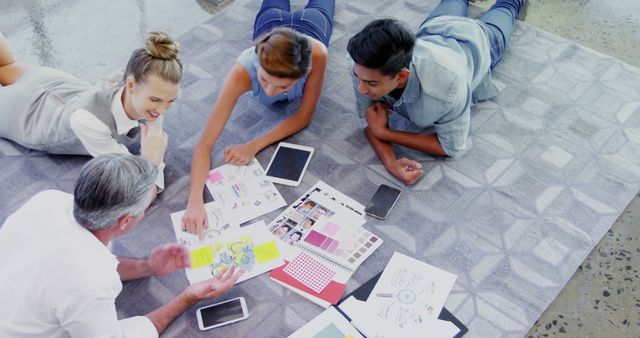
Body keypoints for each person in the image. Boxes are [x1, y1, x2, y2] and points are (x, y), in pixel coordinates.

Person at [0, 154, 243, 337]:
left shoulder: (47, 200)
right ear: (125, 221)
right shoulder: (92, 284)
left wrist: (148, 266)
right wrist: (187, 298)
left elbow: (81, 260)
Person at [182, 0, 335, 237]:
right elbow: (204, 144)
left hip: (311, 24)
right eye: (264, 81)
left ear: (303, 73)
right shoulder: (242, 71)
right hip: (270, 25)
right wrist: (194, 200)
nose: (271, 92)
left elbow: (304, 116)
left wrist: (253, 145)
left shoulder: (317, 55)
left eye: (283, 85)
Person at [347, 0, 526, 184]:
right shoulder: (360, 63)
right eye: (357, 77)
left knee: (508, 6)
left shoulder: (447, 87)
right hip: (436, 27)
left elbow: (451, 147)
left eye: (371, 83)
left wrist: (385, 134)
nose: (360, 88)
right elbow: (367, 118)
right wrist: (391, 163)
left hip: (479, 40)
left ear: (401, 76)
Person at [0, 31, 182, 193]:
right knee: (5, 67)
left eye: (171, 101)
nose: (162, 110)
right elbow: (138, 179)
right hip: (32, 117)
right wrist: (154, 162)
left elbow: (154, 128)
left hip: (59, 88)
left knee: (6, 66)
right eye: (155, 100)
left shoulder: (138, 77)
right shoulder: (90, 122)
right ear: (131, 85)